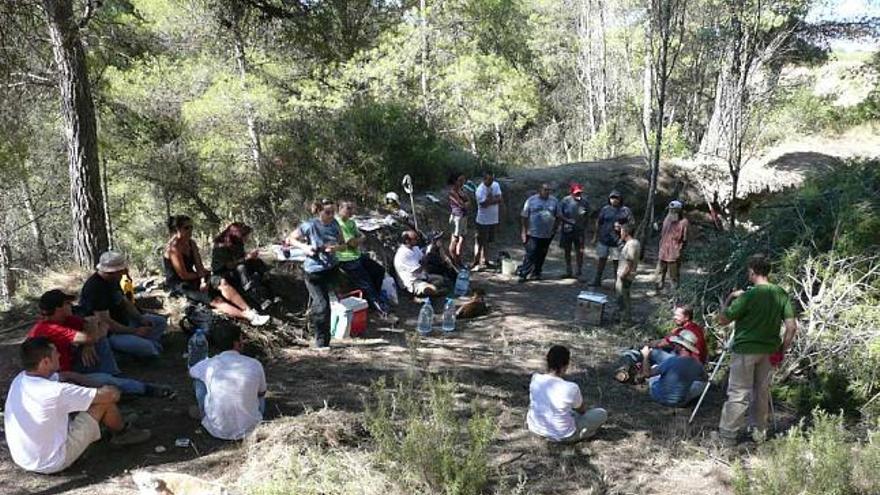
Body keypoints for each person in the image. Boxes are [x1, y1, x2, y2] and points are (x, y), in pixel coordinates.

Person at [4, 338, 150, 474]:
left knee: (89, 399)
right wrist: (109, 387)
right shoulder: (55, 391)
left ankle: (112, 423)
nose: (60, 355)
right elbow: (111, 395)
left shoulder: (21, 379)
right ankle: (122, 433)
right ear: (46, 362)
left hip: (24, 457)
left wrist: (76, 378)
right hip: (52, 461)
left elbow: (64, 376)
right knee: (104, 402)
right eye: (56, 353)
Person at [28, 289, 173, 397]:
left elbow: (94, 321)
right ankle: (142, 388)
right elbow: (99, 330)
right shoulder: (50, 328)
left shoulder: (64, 320)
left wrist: (89, 344)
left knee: (100, 342)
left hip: (70, 365)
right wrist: (92, 339)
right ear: (58, 309)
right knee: (105, 379)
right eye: (67, 303)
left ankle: (115, 380)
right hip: (59, 376)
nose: (71, 306)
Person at [716, 254, 797, 445]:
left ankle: (728, 435)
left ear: (752, 272)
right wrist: (782, 350)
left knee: (738, 392)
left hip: (746, 349)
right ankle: (758, 433)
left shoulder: (749, 296)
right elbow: (792, 327)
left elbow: (723, 320)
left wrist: (729, 299)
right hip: (769, 351)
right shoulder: (780, 294)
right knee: (761, 393)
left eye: (748, 272)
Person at [164, 216, 270, 326]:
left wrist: (203, 280)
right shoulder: (173, 249)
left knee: (221, 282)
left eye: (191, 227)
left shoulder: (191, 243)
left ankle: (249, 310)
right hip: (179, 284)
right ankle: (250, 317)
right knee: (215, 300)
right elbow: (183, 275)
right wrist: (201, 276)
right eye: (186, 228)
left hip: (196, 276)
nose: (190, 230)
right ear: (177, 229)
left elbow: (199, 266)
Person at [78, 251, 167, 358]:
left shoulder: (114, 280)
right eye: (122, 270)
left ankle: (144, 345)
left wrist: (140, 318)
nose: (124, 272)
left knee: (160, 322)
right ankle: (137, 350)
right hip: (112, 333)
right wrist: (134, 332)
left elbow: (125, 302)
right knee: (149, 348)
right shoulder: (95, 288)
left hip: (125, 322)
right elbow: (106, 322)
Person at [189, 322, 266, 440]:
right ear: (236, 343)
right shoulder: (254, 364)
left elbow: (191, 372)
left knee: (199, 380)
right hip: (250, 427)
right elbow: (261, 393)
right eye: (241, 338)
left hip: (216, 430)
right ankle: (247, 414)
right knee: (257, 393)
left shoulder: (209, 364)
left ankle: (204, 413)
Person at [287, 199, 344, 349]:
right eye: (328, 212)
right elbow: (290, 238)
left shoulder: (335, 224)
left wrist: (335, 249)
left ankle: (321, 333)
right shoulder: (310, 225)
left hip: (331, 268)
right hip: (314, 271)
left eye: (333, 212)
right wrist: (305, 247)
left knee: (328, 303)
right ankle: (321, 343)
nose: (331, 215)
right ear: (319, 211)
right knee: (322, 306)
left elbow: (343, 245)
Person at [527, 345, 607, 443]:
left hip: (535, 427)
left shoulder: (536, 378)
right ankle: (585, 434)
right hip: (563, 435)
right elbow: (581, 410)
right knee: (601, 413)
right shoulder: (571, 387)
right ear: (565, 366)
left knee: (567, 412)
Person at [614, 304, 708, 383]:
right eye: (674, 315)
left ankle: (637, 370)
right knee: (665, 350)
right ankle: (638, 368)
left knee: (653, 352)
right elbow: (668, 342)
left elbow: (661, 343)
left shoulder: (684, 332)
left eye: (678, 316)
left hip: (687, 365)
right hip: (694, 365)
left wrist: (644, 345)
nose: (674, 318)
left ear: (687, 317)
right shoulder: (695, 327)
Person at [336, 200, 393, 317]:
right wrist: (358, 240)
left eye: (352, 209)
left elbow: (361, 237)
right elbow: (352, 243)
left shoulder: (351, 222)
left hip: (357, 255)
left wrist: (358, 240)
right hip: (346, 259)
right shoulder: (338, 224)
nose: (351, 212)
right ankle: (379, 309)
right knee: (366, 283)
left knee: (379, 270)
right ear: (340, 209)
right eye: (348, 209)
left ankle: (375, 299)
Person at [212, 222, 275, 312]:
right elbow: (229, 265)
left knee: (257, 262)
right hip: (224, 273)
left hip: (235, 267)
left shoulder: (237, 242)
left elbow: (239, 256)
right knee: (241, 268)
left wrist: (250, 256)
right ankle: (258, 299)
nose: (247, 238)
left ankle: (272, 292)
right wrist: (246, 258)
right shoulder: (221, 246)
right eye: (245, 236)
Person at [640, 330, 706, 407]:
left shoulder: (671, 360)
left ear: (681, 346)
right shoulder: (697, 364)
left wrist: (645, 356)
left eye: (676, 343)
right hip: (680, 402)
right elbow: (704, 378)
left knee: (655, 368)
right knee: (699, 384)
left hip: (658, 397)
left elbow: (647, 374)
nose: (674, 345)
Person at [590, 190, 634, 287]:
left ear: (620, 199)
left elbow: (632, 224)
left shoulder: (625, 210)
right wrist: (595, 237)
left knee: (616, 263)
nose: (614, 200)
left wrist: (623, 227)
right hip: (604, 239)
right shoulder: (605, 209)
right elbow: (599, 223)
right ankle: (597, 280)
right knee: (601, 260)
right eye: (612, 198)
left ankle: (617, 282)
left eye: (616, 198)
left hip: (618, 241)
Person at [517, 183, 559, 283]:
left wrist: (555, 229)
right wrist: (524, 231)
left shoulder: (554, 201)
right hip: (533, 232)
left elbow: (558, 216)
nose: (547, 192)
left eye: (549, 190)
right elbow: (524, 216)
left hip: (547, 233)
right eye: (545, 190)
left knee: (542, 253)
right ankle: (524, 273)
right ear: (540, 190)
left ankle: (537, 272)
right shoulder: (531, 201)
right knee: (531, 253)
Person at [393, 230, 447, 297]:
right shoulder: (403, 254)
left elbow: (422, 258)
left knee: (441, 279)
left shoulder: (415, 248)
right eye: (415, 238)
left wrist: (431, 250)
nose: (417, 240)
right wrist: (427, 257)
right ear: (407, 241)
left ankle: (429, 288)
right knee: (431, 289)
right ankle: (434, 292)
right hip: (412, 281)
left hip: (421, 276)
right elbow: (418, 270)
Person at [558, 183, 591, 279]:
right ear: (571, 192)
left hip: (579, 230)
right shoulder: (565, 201)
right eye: (576, 193)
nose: (578, 195)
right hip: (567, 230)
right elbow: (559, 214)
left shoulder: (584, 202)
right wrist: (568, 221)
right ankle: (569, 270)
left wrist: (585, 227)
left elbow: (588, 215)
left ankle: (579, 271)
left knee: (580, 250)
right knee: (567, 250)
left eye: (579, 193)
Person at [655, 200, 689, 290]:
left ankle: (674, 295)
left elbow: (685, 239)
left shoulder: (684, 222)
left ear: (679, 210)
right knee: (660, 272)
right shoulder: (667, 218)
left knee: (673, 275)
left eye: (674, 210)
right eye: (670, 210)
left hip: (674, 252)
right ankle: (658, 290)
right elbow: (662, 232)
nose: (671, 212)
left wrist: (681, 250)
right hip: (663, 250)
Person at [473, 171, 503, 271]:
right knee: (480, 241)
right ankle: (476, 261)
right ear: (484, 179)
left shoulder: (496, 185)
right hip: (482, 220)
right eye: (489, 180)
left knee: (489, 241)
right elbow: (483, 204)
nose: (491, 182)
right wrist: (491, 199)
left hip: (493, 218)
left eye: (492, 179)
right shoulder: (479, 190)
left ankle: (485, 260)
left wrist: (490, 200)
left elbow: (499, 199)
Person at [615, 222, 640, 324]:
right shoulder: (634, 243)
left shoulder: (631, 244)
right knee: (623, 297)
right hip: (626, 274)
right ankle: (623, 318)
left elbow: (630, 261)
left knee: (623, 298)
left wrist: (623, 275)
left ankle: (625, 321)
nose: (620, 234)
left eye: (621, 231)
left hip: (626, 275)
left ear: (625, 232)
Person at [447, 172, 471, 267]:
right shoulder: (452, 192)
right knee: (455, 239)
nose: (462, 182)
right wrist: (466, 203)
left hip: (463, 216)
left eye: (463, 180)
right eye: (460, 180)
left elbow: (468, 202)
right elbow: (462, 204)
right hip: (457, 217)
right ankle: (453, 261)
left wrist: (466, 203)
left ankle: (458, 259)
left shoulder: (461, 190)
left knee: (462, 238)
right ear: (455, 181)